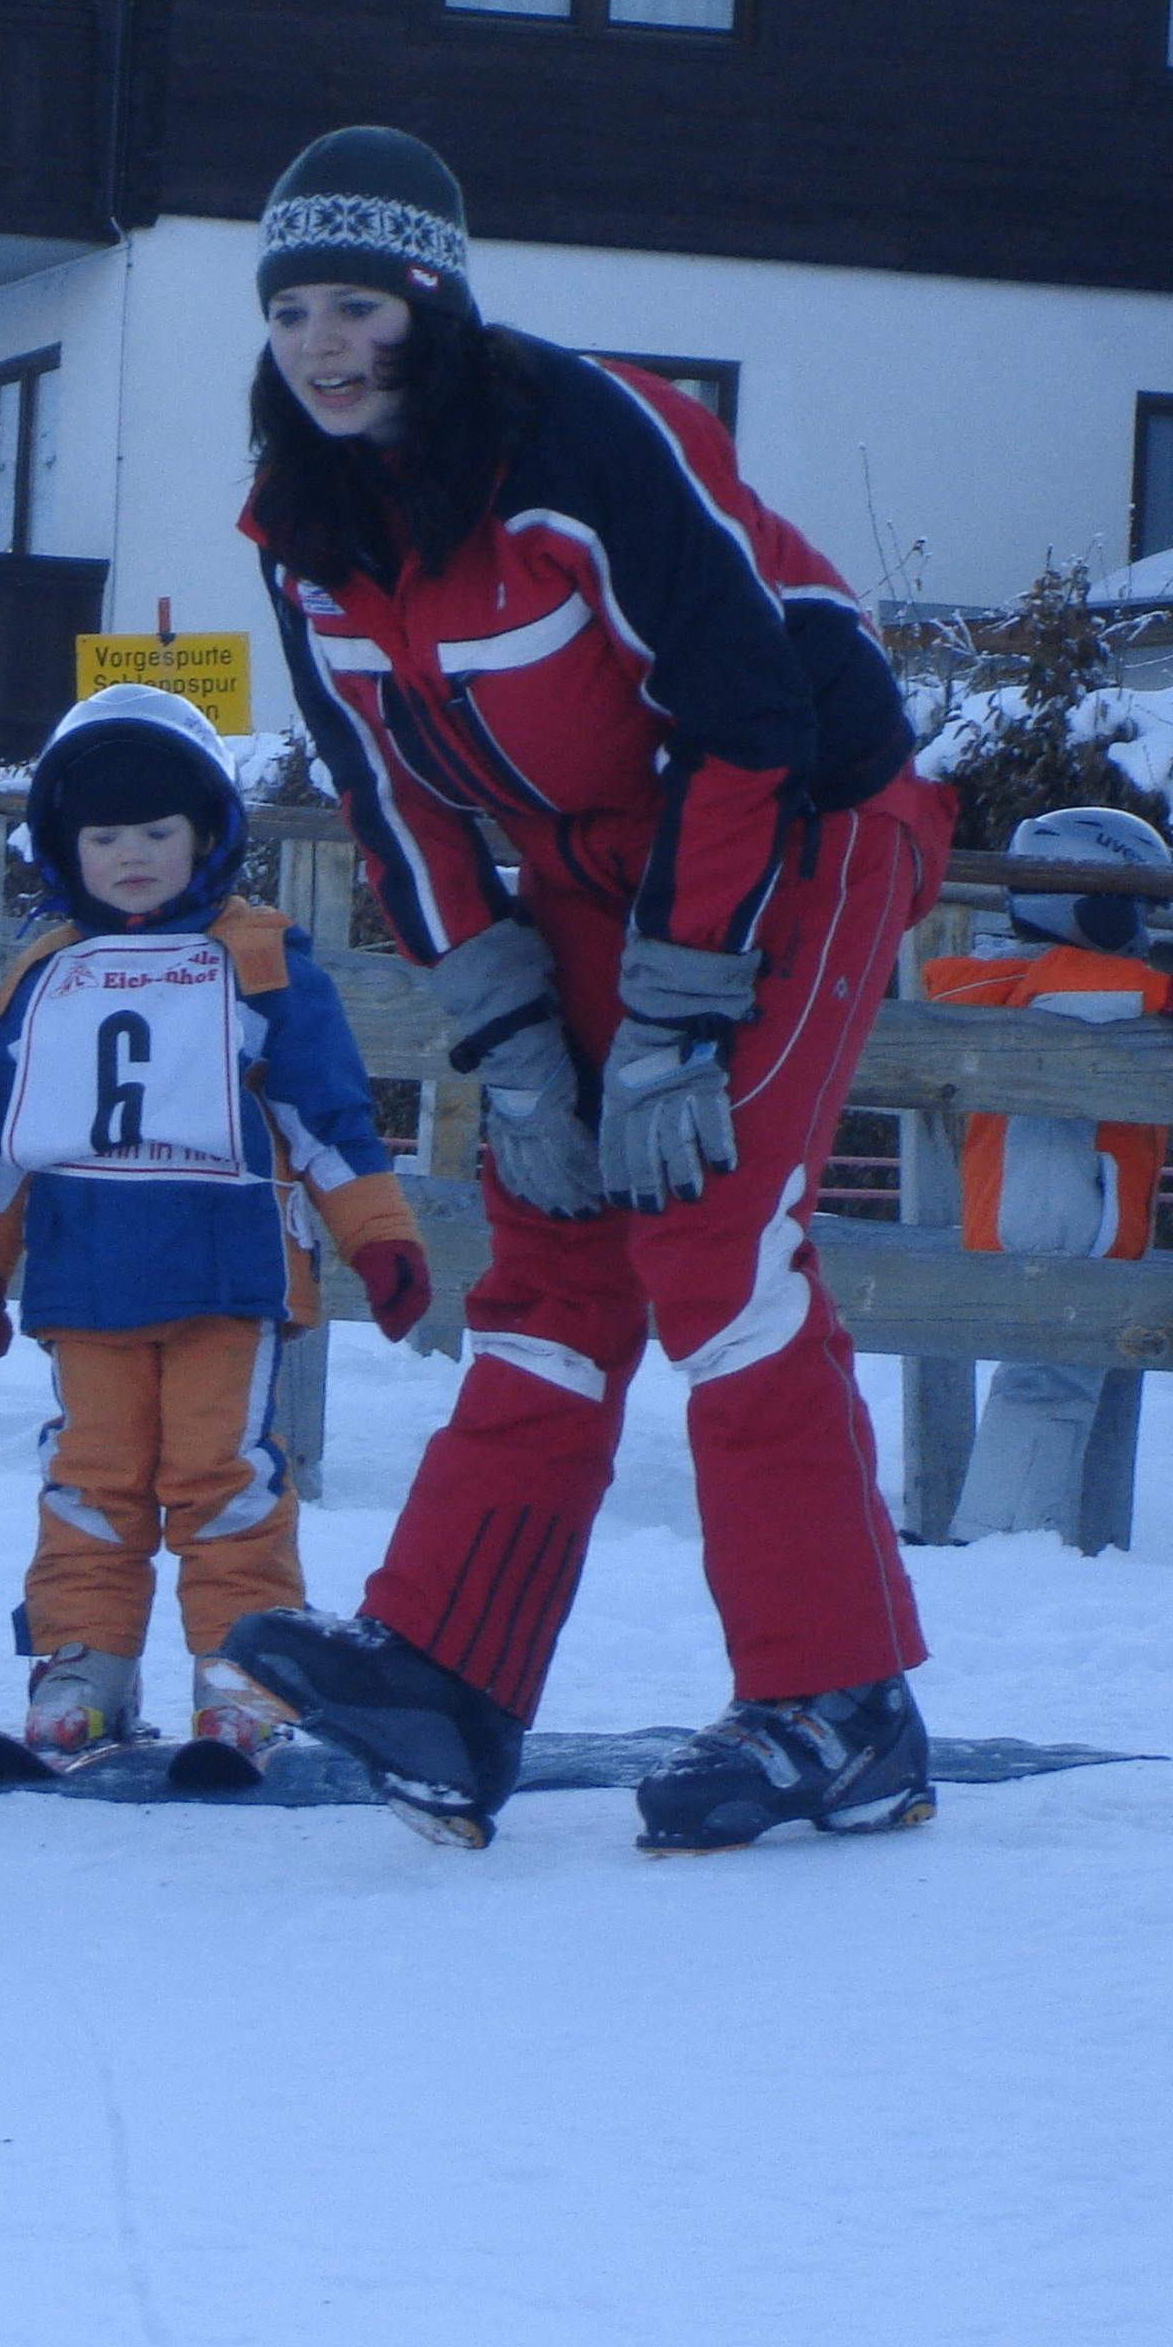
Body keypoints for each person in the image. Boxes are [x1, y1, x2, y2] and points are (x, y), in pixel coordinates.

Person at [211, 126, 958, 1854]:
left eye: (359, 305)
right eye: (291, 310)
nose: (323, 345)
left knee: (710, 1229)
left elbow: (751, 711)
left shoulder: (581, 439)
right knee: (552, 1243)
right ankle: (447, 1673)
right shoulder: (299, 522)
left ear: (434, 298)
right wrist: (510, 1041)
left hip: (801, 823)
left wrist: (677, 1016)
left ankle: (839, 1702)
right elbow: (386, 798)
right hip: (574, 866)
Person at [0, 687, 430, 1771]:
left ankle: (242, 1672)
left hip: (227, 1275)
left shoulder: (260, 956)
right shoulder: (43, 972)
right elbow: (7, 1140)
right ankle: (84, 1663)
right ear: (65, 847)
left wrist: (377, 1235)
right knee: (90, 1479)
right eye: (104, 835)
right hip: (85, 1280)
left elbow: (327, 1117)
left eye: (157, 832)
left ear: (207, 835)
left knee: (226, 1479)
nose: (132, 856)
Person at [925, 805, 1172, 1543]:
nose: (1143, 932)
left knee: (1051, 1374)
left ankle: (1013, 1540)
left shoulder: (1033, 980)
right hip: (1055, 1206)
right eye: (1132, 908)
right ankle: (996, 1543)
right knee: (1048, 1378)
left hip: (1061, 1197)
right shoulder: (1054, 983)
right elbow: (1112, 989)